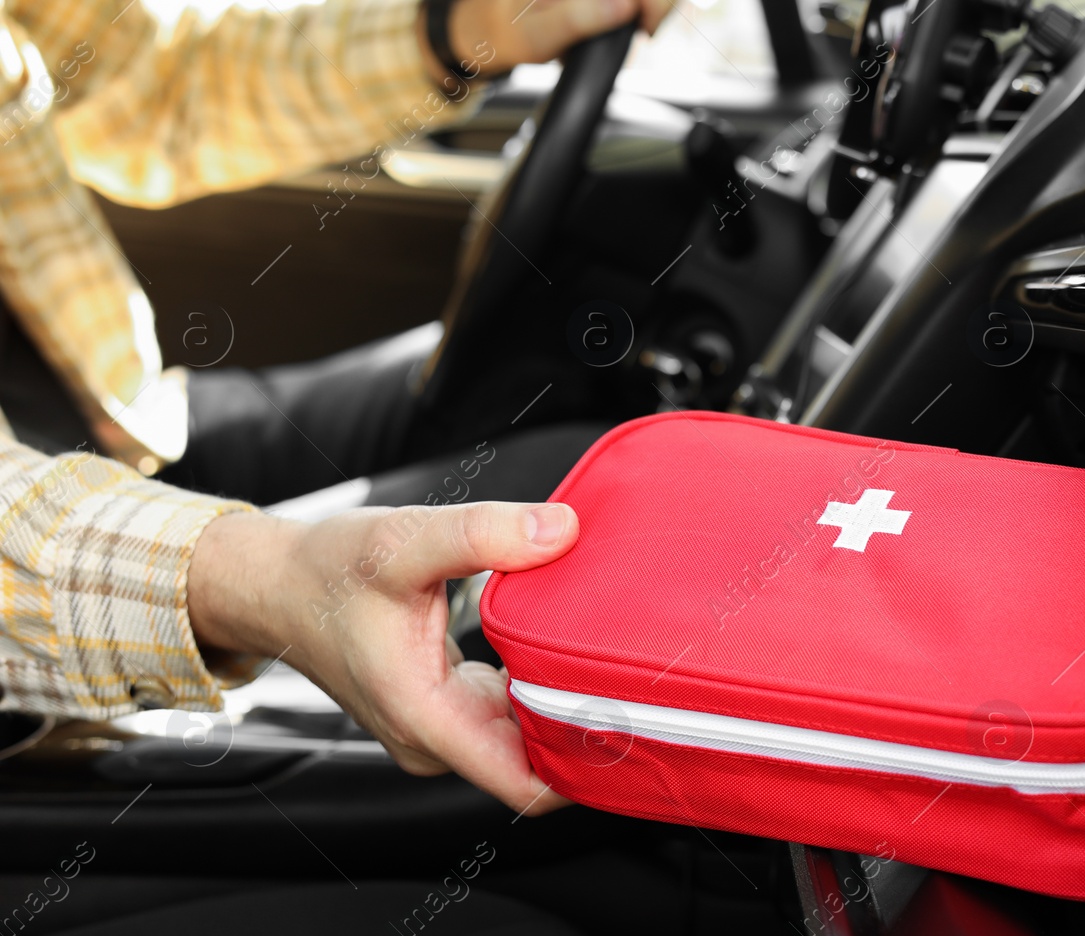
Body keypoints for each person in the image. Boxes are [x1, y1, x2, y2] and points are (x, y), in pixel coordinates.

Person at [0, 0, 671, 810]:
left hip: (115, 421)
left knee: (555, 443)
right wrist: (267, 581)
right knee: (565, 497)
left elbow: (155, 87)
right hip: (33, 576)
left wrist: (460, 29)